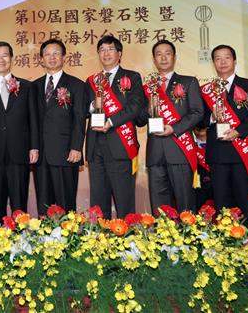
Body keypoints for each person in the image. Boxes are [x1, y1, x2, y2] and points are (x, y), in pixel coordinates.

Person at [0, 41, 39, 225]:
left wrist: (34, 146)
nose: (1, 59)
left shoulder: (26, 86)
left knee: (19, 206)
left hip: (19, 154)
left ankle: (20, 240)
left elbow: (33, 119)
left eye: (5, 55)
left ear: (11, 59)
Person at [201, 44, 248, 221]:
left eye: (227, 57)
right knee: (221, 201)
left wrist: (238, 131)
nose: (222, 62)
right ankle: (223, 236)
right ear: (213, 63)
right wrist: (212, 117)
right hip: (218, 153)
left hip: (242, 151)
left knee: (245, 200)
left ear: (234, 61)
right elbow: (199, 119)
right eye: (218, 58)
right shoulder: (206, 89)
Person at [84, 35, 144, 218]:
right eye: (102, 50)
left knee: (124, 200)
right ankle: (101, 235)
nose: (106, 53)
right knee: (98, 203)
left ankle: (127, 235)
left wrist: (110, 122)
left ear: (120, 53)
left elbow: (135, 107)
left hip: (121, 145)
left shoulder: (132, 77)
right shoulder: (91, 80)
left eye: (110, 49)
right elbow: (83, 109)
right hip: (95, 147)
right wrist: (93, 105)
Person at [142, 40, 203, 213]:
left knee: (185, 202)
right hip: (155, 153)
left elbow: (198, 112)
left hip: (180, 150)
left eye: (167, 53)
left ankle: (187, 230)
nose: (163, 58)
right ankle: (162, 231)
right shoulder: (148, 87)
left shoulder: (188, 82)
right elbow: (139, 119)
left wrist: (174, 128)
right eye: (159, 54)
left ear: (174, 57)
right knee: (159, 206)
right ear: (154, 59)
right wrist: (147, 109)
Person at [31, 39, 85, 215]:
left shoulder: (76, 85)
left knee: (65, 203)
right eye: (47, 54)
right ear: (41, 59)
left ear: (64, 57)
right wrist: (33, 147)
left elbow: (79, 119)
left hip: (66, 153)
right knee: (44, 205)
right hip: (40, 156)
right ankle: (45, 233)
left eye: (56, 53)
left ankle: (68, 232)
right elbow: (32, 121)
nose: (52, 57)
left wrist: (76, 147)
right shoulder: (34, 86)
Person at [193, 124, 213, 210]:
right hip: (198, 184)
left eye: (203, 128)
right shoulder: (191, 145)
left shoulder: (216, 144)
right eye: (197, 128)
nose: (200, 130)